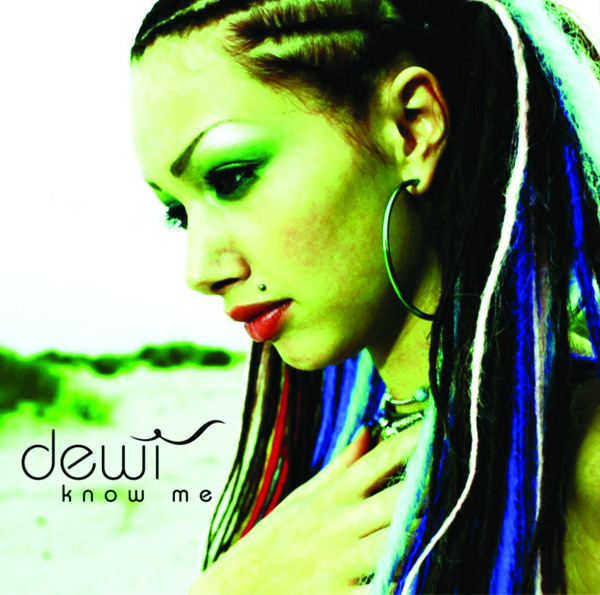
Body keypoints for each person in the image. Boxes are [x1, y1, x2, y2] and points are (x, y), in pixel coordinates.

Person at [129, 0, 600, 592]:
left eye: (233, 176)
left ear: (411, 129)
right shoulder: (333, 466)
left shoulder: (582, 469)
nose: (199, 270)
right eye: (179, 213)